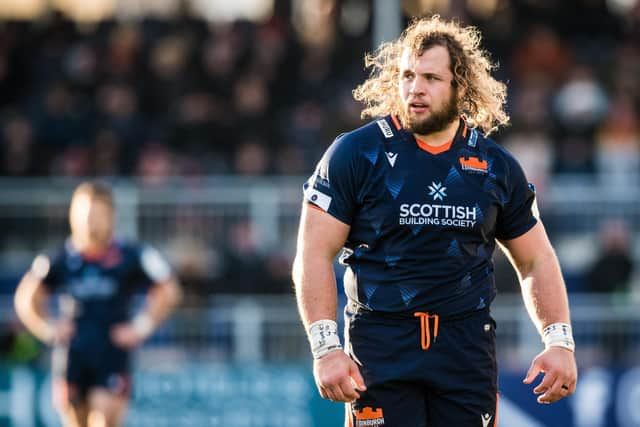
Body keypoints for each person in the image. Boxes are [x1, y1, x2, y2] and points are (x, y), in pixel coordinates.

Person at [292, 15, 577, 427]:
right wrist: (325, 348)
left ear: (460, 86)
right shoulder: (356, 153)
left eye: (430, 77)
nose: (415, 88)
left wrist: (559, 342)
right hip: (381, 347)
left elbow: (536, 260)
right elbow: (313, 253)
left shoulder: (496, 166)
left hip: (465, 351)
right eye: (407, 75)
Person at [14, 181, 182, 427]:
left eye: (97, 214)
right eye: (85, 214)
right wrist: (48, 328)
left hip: (111, 351)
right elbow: (26, 297)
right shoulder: (59, 259)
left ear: (111, 216)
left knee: (103, 419)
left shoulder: (132, 255)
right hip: (73, 354)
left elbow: (169, 289)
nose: (90, 221)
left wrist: (141, 326)